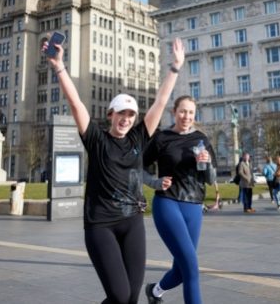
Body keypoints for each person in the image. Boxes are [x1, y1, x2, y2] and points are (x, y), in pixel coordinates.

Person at [43, 37, 185, 304]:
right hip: (101, 225)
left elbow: (160, 102)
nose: (126, 119)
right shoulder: (96, 139)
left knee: (130, 299)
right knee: (119, 295)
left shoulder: (138, 138)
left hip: (132, 223)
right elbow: (76, 104)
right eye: (121, 113)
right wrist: (59, 66)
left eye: (131, 115)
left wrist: (175, 67)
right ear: (110, 114)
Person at [143, 95, 217, 304]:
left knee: (181, 268)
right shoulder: (162, 138)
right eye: (182, 111)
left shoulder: (202, 139)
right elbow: (137, 166)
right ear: (174, 112)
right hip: (167, 203)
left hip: (194, 206)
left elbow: (210, 179)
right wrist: (154, 182)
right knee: (191, 267)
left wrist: (206, 163)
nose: (186, 116)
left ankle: (154, 291)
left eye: (191, 112)